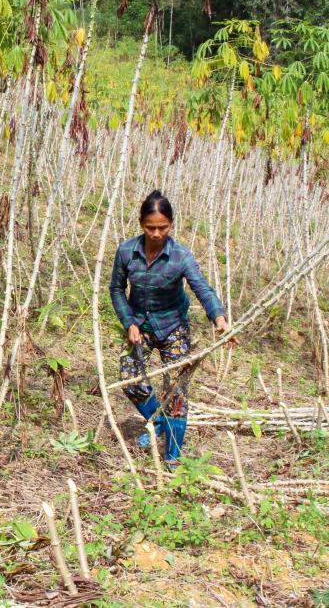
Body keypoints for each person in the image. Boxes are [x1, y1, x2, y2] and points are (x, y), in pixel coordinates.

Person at [109, 190, 235, 468]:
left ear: (171, 225)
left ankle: (172, 456)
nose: (156, 233)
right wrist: (129, 321)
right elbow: (116, 289)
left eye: (162, 227)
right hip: (139, 325)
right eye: (150, 227)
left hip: (173, 326)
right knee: (130, 379)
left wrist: (219, 318)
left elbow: (202, 288)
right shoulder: (126, 251)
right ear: (141, 223)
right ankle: (159, 422)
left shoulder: (181, 256)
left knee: (176, 391)